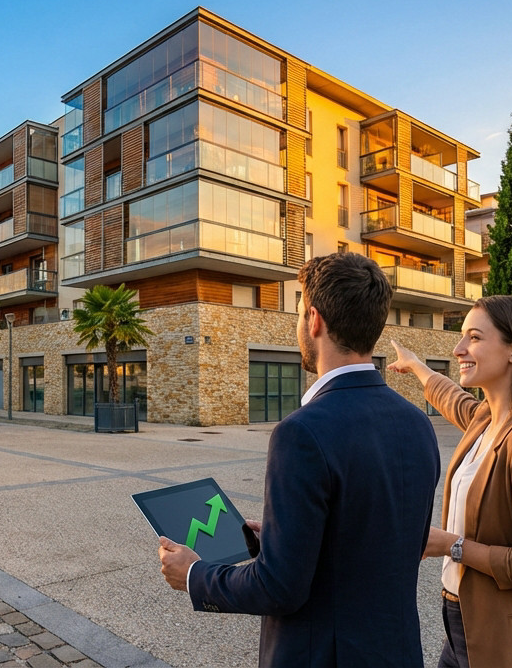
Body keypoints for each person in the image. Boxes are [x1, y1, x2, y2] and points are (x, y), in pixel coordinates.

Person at [159, 252, 441, 667]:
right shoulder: (418, 424)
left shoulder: (301, 432)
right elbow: (389, 540)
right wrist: (279, 536)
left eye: (296, 314)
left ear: (314, 321)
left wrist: (194, 575)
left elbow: (279, 589)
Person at [388, 295, 512, 668]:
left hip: (506, 641)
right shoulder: (485, 420)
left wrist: (452, 545)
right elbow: (453, 398)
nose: (458, 349)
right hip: (460, 621)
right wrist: (418, 368)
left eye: (473, 337)